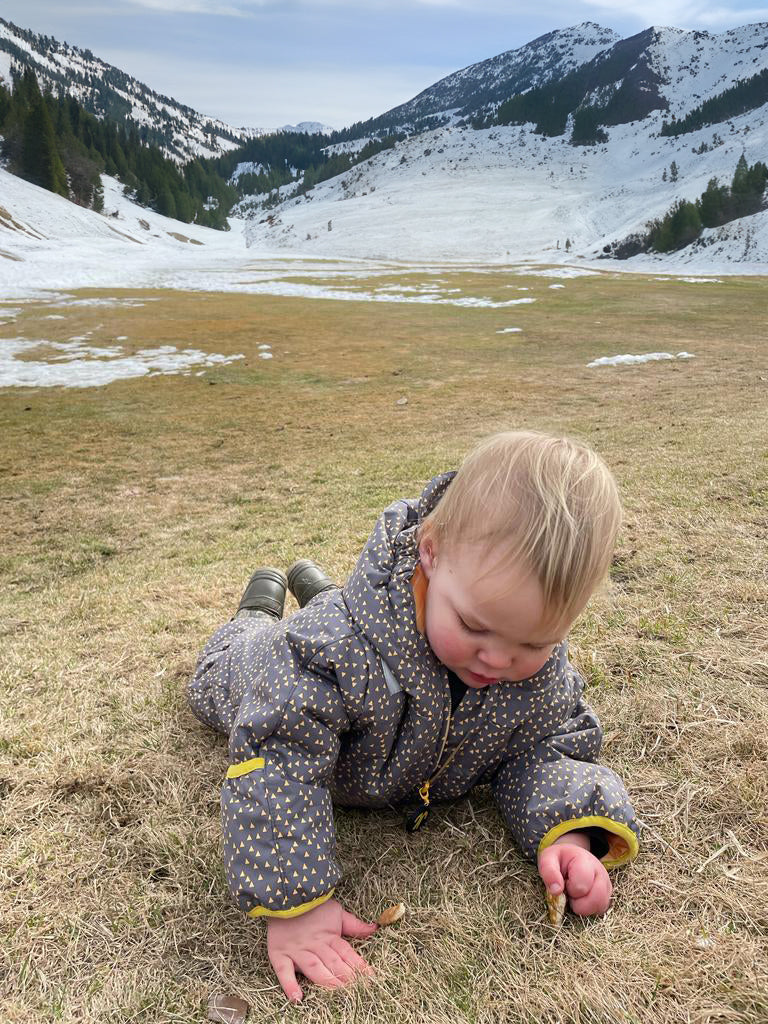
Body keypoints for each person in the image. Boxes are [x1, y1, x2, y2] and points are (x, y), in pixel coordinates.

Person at [187, 430, 640, 1002]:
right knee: (222, 667)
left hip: (385, 626)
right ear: (429, 550)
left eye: (534, 642)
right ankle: (255, 609)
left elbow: (546, 742)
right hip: (255, 668)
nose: (498, 659)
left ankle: (319, 586)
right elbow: (277, 756)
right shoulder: (328, 651)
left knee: (458, 643)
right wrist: (295, 903)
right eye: (474, 626)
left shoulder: (534, 671)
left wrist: (574, 832)